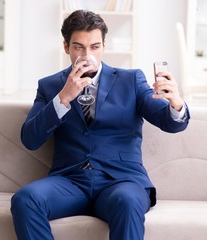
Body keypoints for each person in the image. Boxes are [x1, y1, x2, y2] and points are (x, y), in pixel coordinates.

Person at [10, 10, 190, 240]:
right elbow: (30, 139)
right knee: (25, 199)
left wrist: (175, 103)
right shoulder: (50, 86)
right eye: (78, 47)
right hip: (70, 182)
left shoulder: (131, 80)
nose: (87, 55)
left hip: (121, 181)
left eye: (95, 47)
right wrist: (63, 97)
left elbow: (171, 123)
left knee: (128, 201)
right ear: (66, 46)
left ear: (104, 46)